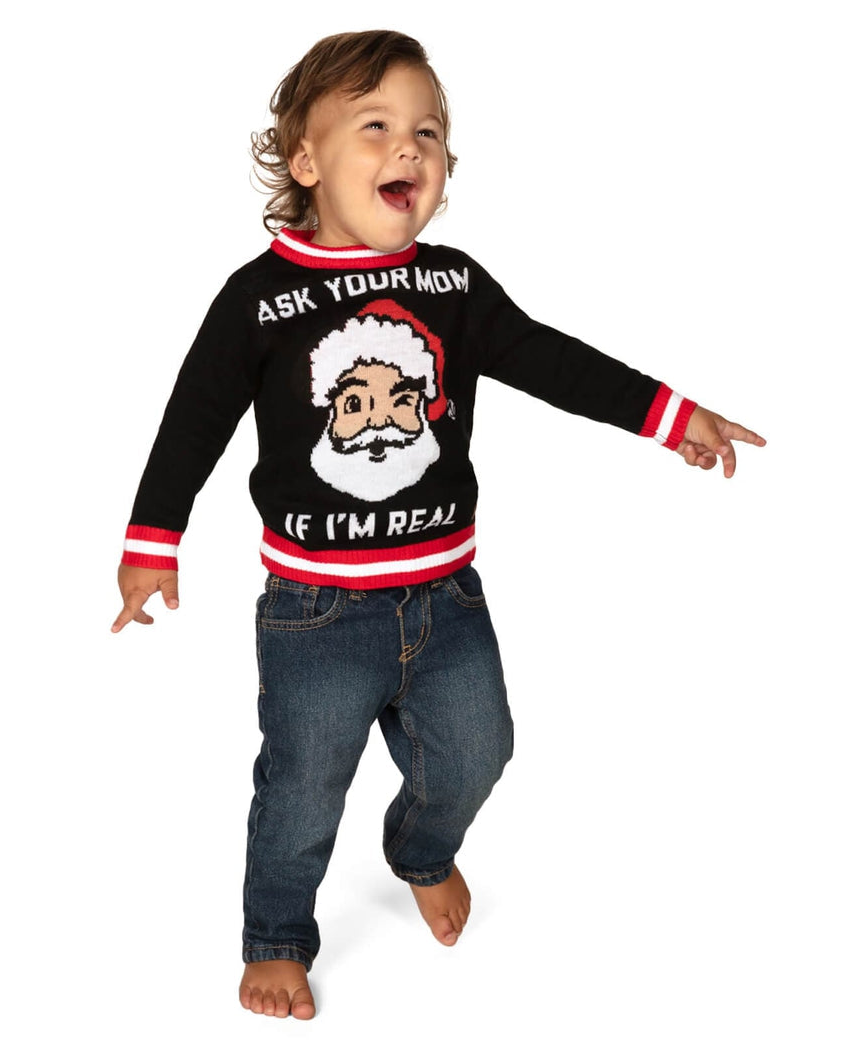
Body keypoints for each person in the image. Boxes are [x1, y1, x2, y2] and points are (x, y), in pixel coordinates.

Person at [112, 30, 765, 1021]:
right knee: (301, 787)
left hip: (448, 600)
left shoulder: (452, 286)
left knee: (480, 751)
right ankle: (276, 936)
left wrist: (671, 416)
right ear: (306, 162)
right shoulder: (258, 300)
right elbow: (192, 421)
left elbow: (552, 360)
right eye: (375, 127)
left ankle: (419, 849)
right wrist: (152, 540)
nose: (408, 147)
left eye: (428, 131)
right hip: (315, 614)